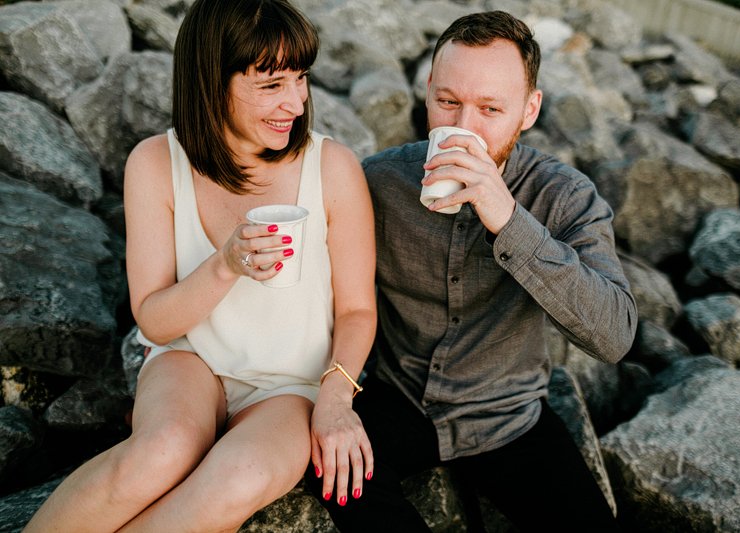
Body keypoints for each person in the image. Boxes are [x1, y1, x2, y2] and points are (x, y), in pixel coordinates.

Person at [24, 0, 375, 531]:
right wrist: (226, 264)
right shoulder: (155, 163)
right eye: (271, 84)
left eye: (299, 79)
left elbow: (357, 311)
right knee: (160, 452)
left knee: (236, 478)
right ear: (212, 81)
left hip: (291, 385)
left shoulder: (334, 167)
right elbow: (155, 321)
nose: (296, 104)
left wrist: (335, 399)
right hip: (191, 363)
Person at [305, 10, 638, 533]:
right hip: (399, 398)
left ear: (529, 110)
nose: (464, 128)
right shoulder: (377, 182)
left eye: (490, 108)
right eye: (448, 102)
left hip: (508, 417)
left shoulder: (566, 196)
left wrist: (507, 217)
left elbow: (615, 336)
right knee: (331, 469)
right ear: (428, 92)